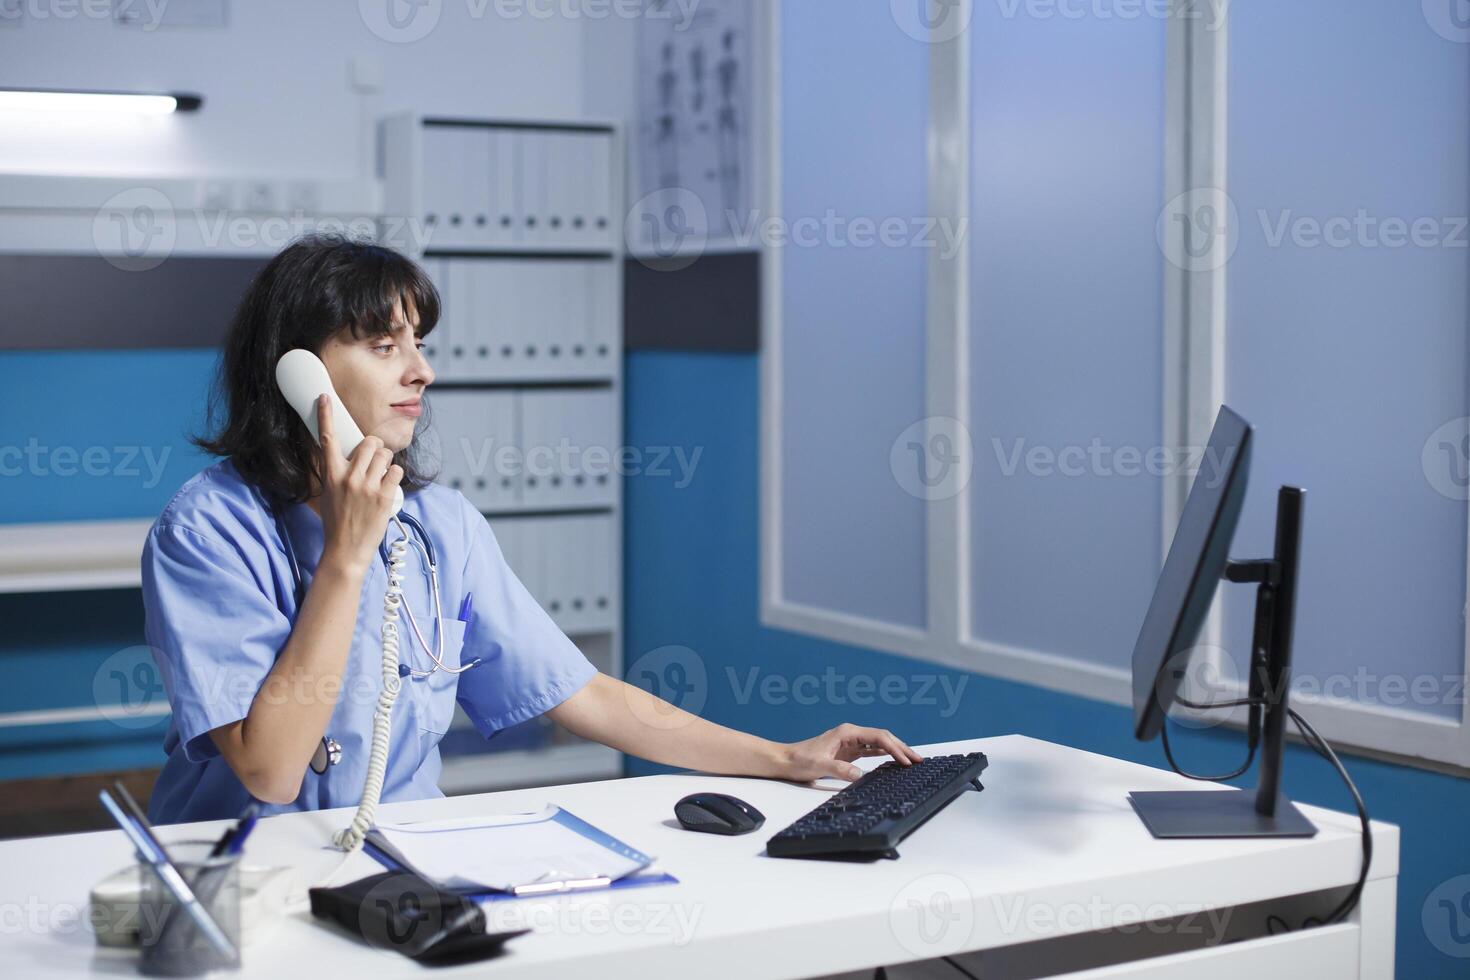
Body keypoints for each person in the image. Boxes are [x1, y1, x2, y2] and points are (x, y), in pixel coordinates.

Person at [142, 235, 921, 824]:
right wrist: (346, 558)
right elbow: (272, 774)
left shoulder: (439, 528)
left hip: (400, 853)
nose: (421, 371)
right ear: (293, 372)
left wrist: (785, 758)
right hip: (238, 874)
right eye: (385, 346)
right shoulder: (208, 532)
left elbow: (586, 698)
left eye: (419, 344)